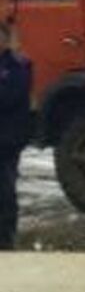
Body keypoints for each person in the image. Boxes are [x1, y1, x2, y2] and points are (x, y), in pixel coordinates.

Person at [0, 28, 31, 250]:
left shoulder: (17, 66)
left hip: (7, 139)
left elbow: (9, 97)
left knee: (5, 189)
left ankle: (6, 238)